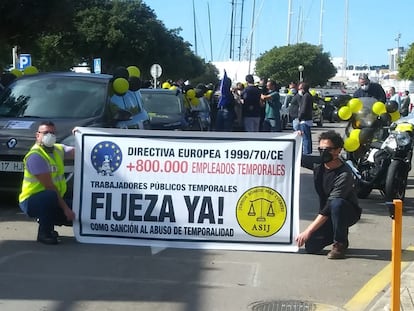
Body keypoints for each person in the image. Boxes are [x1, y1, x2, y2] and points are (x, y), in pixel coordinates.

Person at [296, 130, 362, 259]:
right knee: (311, 246)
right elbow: (297, 157)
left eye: (328, 149)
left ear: (338, 151)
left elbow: (329, 206)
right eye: (321, 149)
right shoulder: (318, 164)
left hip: (346, 212)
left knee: (337, 204)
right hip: (329, 213)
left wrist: (308, 230)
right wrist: (295, 139)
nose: (323, 152)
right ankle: (336, 232)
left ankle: (340, 244)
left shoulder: (344, 174)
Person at [18, 121, 76, 244]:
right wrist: (66, 209)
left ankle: (46, 219)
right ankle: (44, 233)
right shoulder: (35, 156)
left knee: (79, 210)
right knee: (50, 197)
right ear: (37, 135)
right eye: (45, 133)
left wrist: (80, 135)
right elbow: (50, 187)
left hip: (53, 199)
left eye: (52, 133)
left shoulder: (57, 149)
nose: (49, 135)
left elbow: (76, 151)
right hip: (31, 201)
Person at [297, 82, 313, 154]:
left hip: (305, 120)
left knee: (305, 137)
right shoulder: (309, 95)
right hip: (307, 119)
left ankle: (306, 153)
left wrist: (300, 117)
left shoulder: (306, 96)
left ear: (303, 89)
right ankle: (308, 151)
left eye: (300, 88)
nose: (299, 90)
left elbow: (303, 108)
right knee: (307, 137)